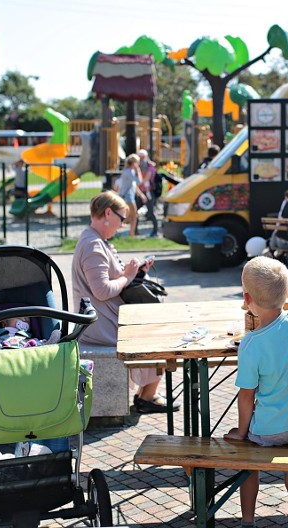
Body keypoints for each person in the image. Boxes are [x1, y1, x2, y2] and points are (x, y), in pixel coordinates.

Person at [224, 256, 288, 528]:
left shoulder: (251, 345)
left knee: (249, 466)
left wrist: (242, 434)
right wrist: (283, 288)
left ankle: (247, 521)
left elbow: (246, 398)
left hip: (270, 431)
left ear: (247, 298)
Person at [72, 192, 178, 414]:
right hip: (100, 324)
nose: (122, 225)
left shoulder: (97, 241)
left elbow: (110, 279)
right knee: (154, 334)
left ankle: (146, 394)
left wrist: (135, 273)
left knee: (156, 328)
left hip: (105, 318)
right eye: (122, 219)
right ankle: (148, 396)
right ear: (108, 213)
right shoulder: (93, 246)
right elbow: (102, 291)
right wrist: (128, 277)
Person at [114, 154, 146, 238]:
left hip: (129, 196)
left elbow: (134, 185)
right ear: (134, 163)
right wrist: (138, 171)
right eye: (137, 163)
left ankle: (130, 234)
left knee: (130, 216)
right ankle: (131, 235)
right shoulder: (128, 172)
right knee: (133, 216)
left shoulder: (130, 171)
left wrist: (141, 194)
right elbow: (139, 181)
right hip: (128, 196)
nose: (138, 164)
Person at [137, 149, 159, 237]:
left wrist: (137, 182)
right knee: (134, 211)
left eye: (142, 157)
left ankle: (155, 231)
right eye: (139, 157)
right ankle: (135, 231)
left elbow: (145, 179)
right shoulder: (137, 167)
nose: (141, 159)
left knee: (151, 212)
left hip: (148, 192)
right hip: (140, 192)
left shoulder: (150, 167)